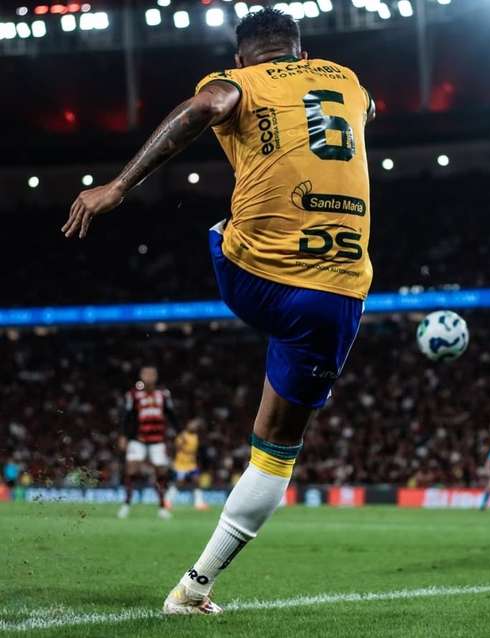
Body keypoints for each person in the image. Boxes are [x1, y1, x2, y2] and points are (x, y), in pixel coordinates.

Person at [63, 8, 374, 615]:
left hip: (251, 277)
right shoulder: (348, 81)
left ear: (241, 58)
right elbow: (368, 109)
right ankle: (195, 586)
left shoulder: (239, 82)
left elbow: (207, 107)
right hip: (336, 296)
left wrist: (118, 186)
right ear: (302, 51)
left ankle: (193, 590)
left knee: (222, 227)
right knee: (279, 450)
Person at [118, 366, 177, 520]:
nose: (149, 377)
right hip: (138, 439)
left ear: (156, 377)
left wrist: (179, 432)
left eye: (152, 374)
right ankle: (126, 504)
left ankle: (162, 506)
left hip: (158, 440)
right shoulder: (133, 395)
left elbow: (171, 414)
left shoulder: (163, 394)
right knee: (131, 471)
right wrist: (123, 435)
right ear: (141, 376)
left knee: (161, 473)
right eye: (146, 374)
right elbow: (126, 416)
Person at [166, 418, 208, 511]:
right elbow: (175, 448)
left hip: (192, 464)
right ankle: (168, 501)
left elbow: (197, 450)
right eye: (192, 424)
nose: (193, 426)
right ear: (187, 425)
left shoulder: (196, 437)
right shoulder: (182, 436)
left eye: (196, 426)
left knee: (197, 481)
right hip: (181, 464)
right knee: (179, 483)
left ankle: (199, 503)